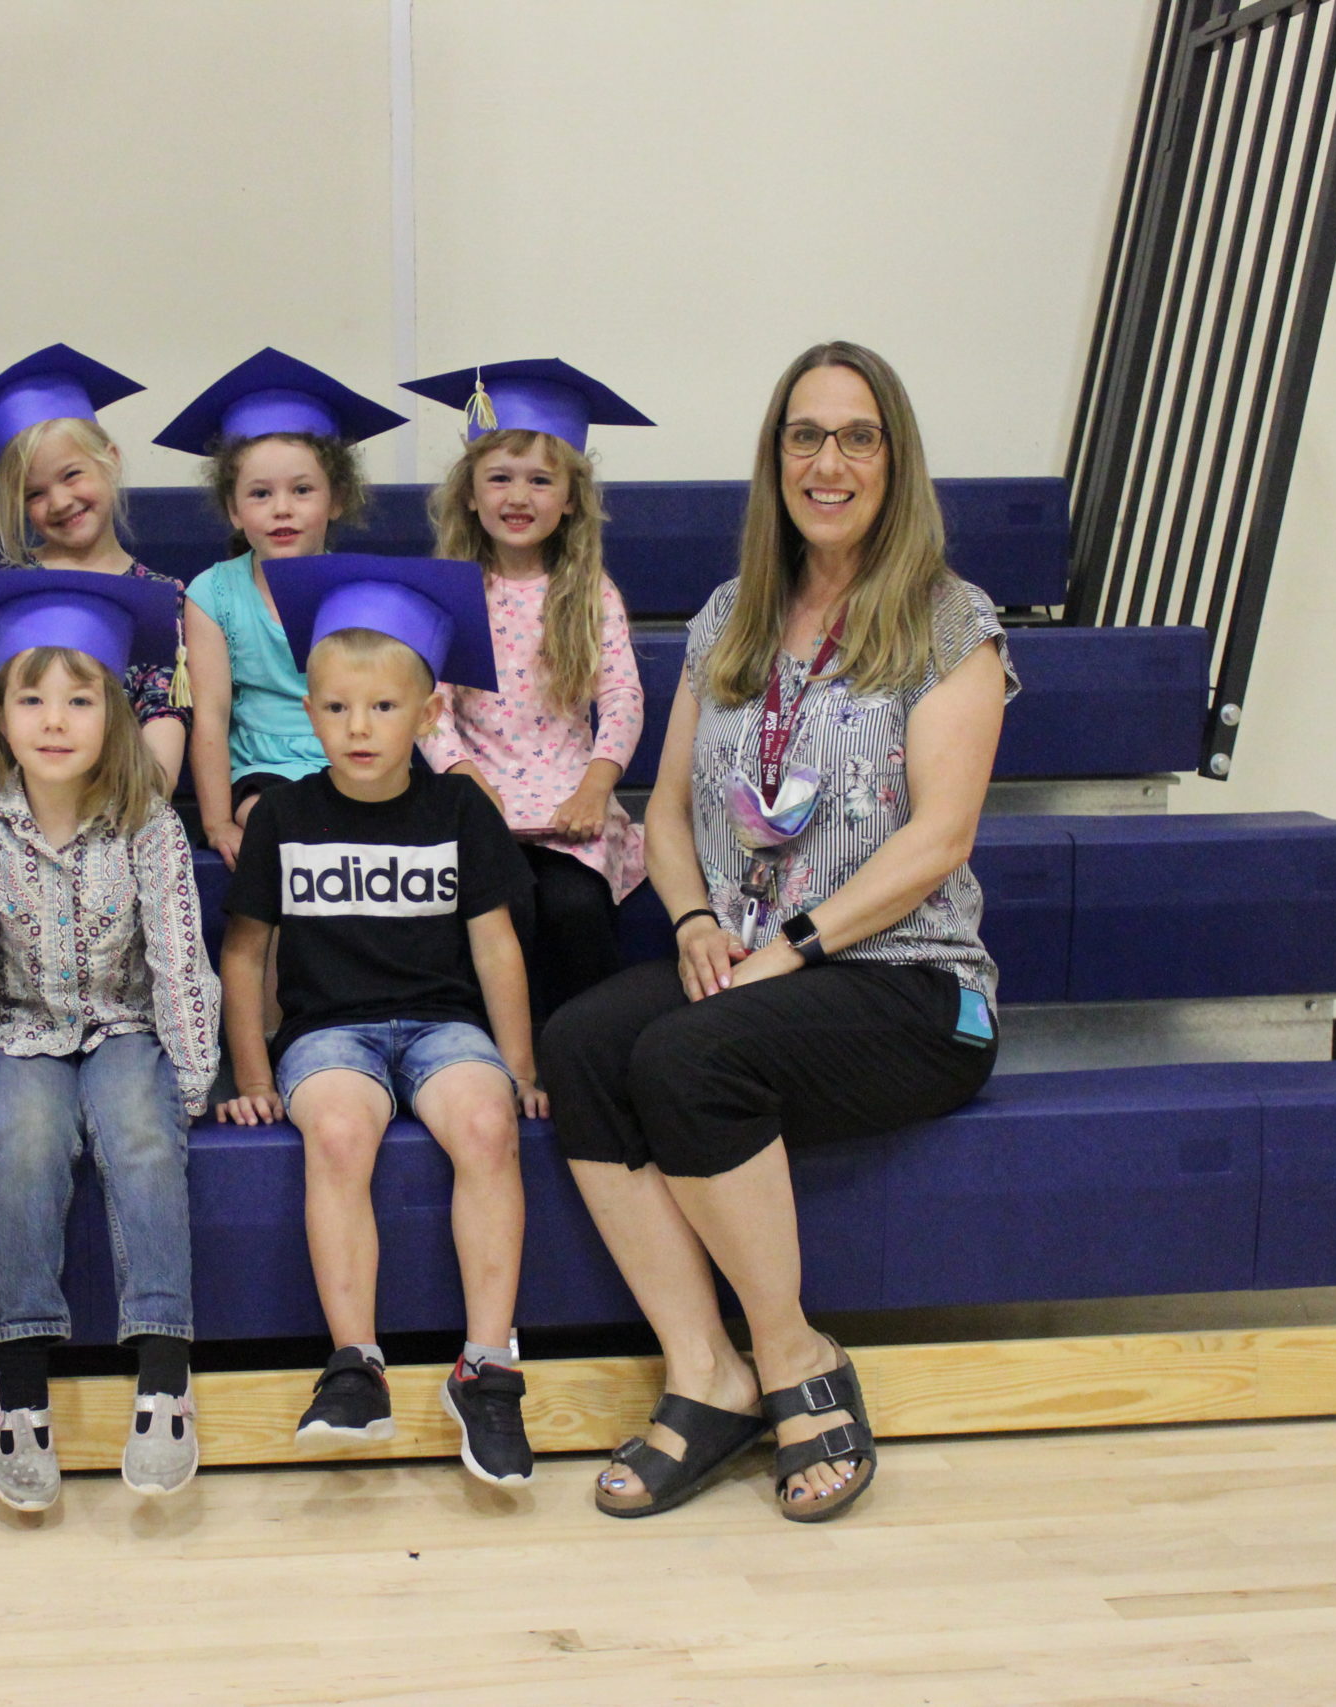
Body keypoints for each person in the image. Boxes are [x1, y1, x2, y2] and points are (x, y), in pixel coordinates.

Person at [538, 341, 1015, 1525]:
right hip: (749, 957)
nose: (827, 462)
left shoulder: (951, 621)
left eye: (856, 437)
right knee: (584, 1043)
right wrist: (695, 919)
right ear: (775, 459)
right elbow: (662, 810)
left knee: (688, 1056)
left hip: (905, 979)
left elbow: (939, 839)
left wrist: (789, 947)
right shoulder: (728, 617)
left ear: (894, 460)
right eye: (804, 436)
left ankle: (797, 1358)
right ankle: (706, 1374)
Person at [214, 555, 545, 1488]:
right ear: (309, 712)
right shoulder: (283, 815)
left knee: (486, 1123)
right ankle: (355, 1363)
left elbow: (496, 949)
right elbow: (244, 954)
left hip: (443, 1024)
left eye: (384, 707)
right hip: (329, 1032)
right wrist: (251, 1074)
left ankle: (487, 1367)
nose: (358, 727)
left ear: (429, 713)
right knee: (339, 1129)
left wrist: (519, 1065)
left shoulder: (459, 808)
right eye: (336, 707)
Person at [0, 570, 222, 1511]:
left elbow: (179, 955)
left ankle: (165, 1373)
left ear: (116, 714)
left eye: (80, 699)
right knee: (22, 1143)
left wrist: (189, 1080)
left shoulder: (148, 821)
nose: (54, 720)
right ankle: (20, 1383)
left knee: (141, 1134)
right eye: (32, 699)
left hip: (125, 1024)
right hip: (23, 1034)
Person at [404, 359, 653, 1021]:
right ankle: (498, 1051)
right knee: (502, 905)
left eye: (541, 480)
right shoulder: (451, 591)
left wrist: (596, 786)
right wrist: (466, 781)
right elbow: (430, 707)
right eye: (500, 478)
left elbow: (622, 696)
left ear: (570, 498)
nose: (519, 496)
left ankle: (585, 1047)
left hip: (570, 802)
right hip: (478, 797)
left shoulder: (589, 592)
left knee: (575, 906)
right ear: (469, 492)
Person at [165, 348, 406, 867]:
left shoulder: (360, 589)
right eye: (259, 494)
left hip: (354, 756)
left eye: (302, 490)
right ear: (233, 509)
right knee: (280, 820)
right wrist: (217, 822)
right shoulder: (212, 594)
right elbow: (211, 717)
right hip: (263, 771)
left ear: (336, 499)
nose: (282, 509)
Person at [0, 344, 190, 792]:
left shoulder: (164, 595)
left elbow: (164, 724)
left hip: (124, 806)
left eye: (71, 475)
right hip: (18, 807)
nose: (61, 501)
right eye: (35, 493)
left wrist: (127, 806)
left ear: (111, 459)